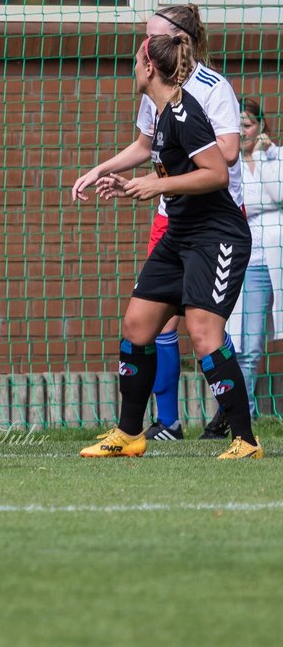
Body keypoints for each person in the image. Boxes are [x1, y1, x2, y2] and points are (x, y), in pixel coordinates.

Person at [80, 34, 260, 460]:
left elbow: (216, 173)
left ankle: (246, 440)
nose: (131, 69)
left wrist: (156, 184)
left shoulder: (184, 113)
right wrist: (127, 184)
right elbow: (161, 167)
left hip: (217, 236)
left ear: (149, 69)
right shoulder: (158, 113)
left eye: (135, 62)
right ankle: (129, 434)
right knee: (137, 325)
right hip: (180, 234)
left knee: (203, 335)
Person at [224, 98, 283, 421]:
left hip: (279, 255)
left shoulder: (277, 157)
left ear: (261, 126)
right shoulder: (227, 165)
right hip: (251, 262)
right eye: (238, 126)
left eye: (247, 125)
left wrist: (264, 155)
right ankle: (240, 418)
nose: (243, 132)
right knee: (248, 346)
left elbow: (278, 193)